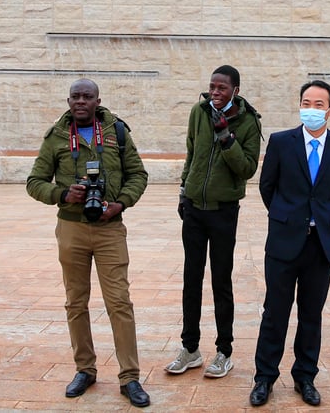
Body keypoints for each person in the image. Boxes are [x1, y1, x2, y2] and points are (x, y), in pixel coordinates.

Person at [25, 79, 152, 407]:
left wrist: (120, 203)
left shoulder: (116, 132)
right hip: (72, 228)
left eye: (88, 97)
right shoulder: (55, 136)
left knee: (119, 303)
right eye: (76, 97)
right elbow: (34, 182)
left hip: (110, 229)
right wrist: (63, 194)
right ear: (68, 100)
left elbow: (138, 175)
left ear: (98, 101)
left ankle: (130, 377)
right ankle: (85, 369)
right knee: (75, 302)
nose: (81, 101)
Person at [250, 80, 330, 407]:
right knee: (275, 313)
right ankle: (264, 377)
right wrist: (287, 216)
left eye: (318, 104)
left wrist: (317, 216)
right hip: (283, 241)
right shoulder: (281, 142)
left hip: (320, 244)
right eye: (306, 102)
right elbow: (268, 187)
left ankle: (305, 376)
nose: (311, 109)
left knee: (312, 315)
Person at [165, 65, 262, 379]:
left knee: (221, 281)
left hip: (223, 211)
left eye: (222, 88)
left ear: (235, 89)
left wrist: (226, 138)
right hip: (194, 208)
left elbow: (247, 169)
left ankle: (224, 351)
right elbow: (191, 152)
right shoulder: (198, 111)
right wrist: (184, 190)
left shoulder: (249, 122)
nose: (216, 93)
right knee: (191, 279)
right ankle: (190, 348)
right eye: (212, 87)